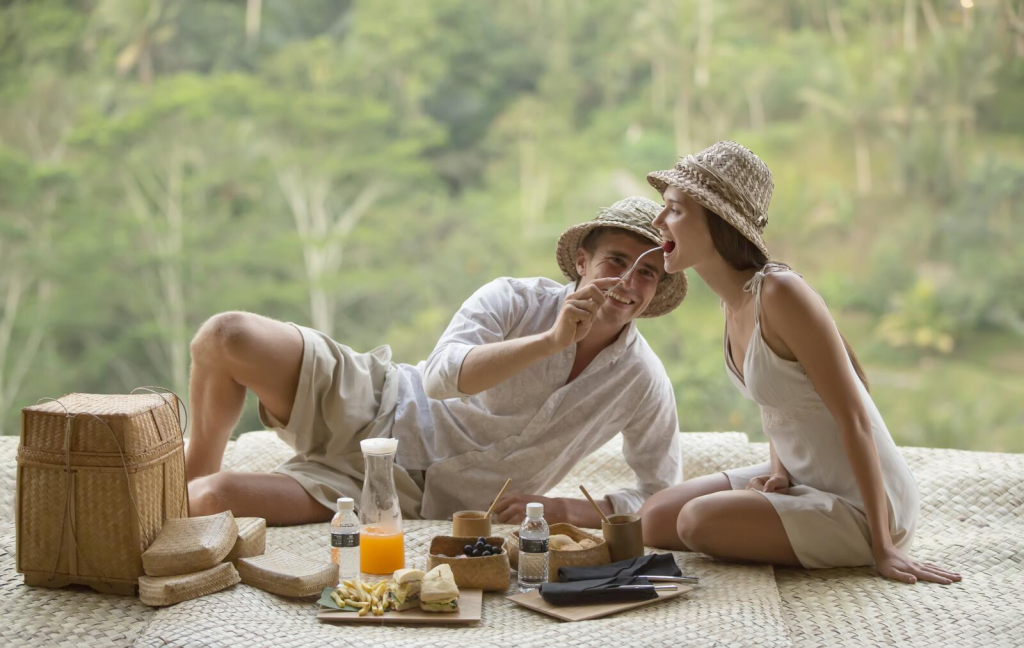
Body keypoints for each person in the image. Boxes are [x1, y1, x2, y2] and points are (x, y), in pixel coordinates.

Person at [185, 196, 688, 526]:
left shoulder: (642, 381)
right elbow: (439, 378)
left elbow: (660, 493)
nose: (628, 282)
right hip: (376, 403)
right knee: (225, 336)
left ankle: (186, 503)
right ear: (582, 261)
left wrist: (569, 509)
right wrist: (550, 341)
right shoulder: (513, 299)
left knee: (210, 500)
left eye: (647, 273)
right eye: (616, 260)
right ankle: (181, 482)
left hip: (405, 498)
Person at [639, 141, 961, 585]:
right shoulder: (734, 302)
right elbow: (779, 401)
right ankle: (789, 511)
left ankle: (863, 536)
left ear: (717, 221)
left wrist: (884, 546)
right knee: (654, 518)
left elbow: (855, 418)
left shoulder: (781, 293)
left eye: (674, 210)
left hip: (861, 504)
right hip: (802, 477)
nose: (658, 221)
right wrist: (778, 471)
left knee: (695, 521)